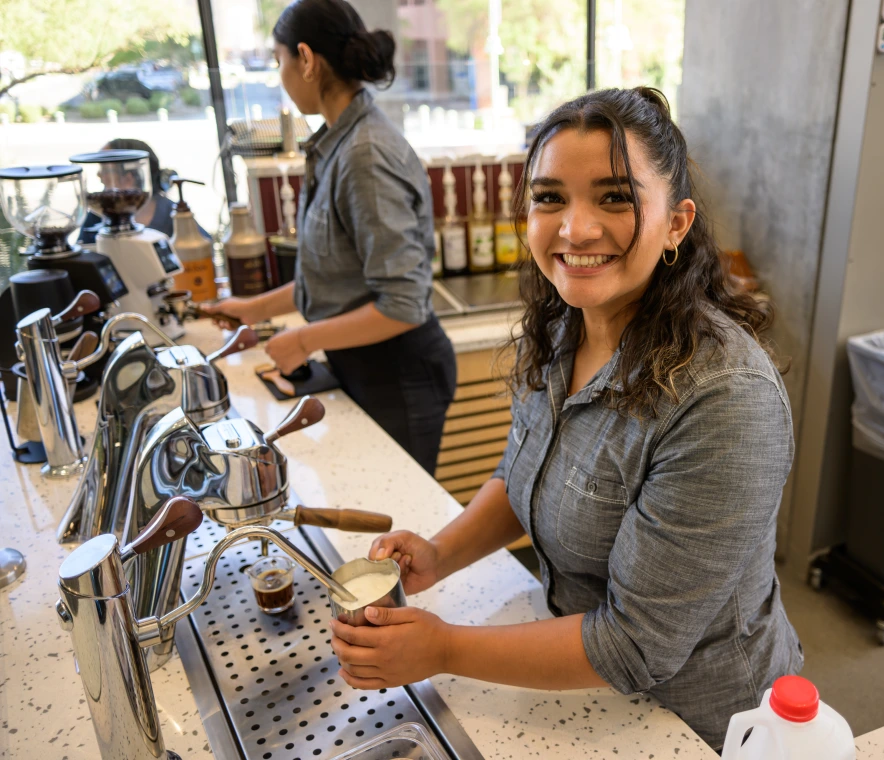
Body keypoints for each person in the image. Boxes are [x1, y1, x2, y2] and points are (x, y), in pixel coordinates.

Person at [327, 87, 803, 750]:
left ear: (676, 222)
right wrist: (440, 554)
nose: (575, 229)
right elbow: (530, 475)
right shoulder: (561, 331)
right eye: (549, 197)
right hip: (573, 682)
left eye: (614, 197)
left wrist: (442, 649)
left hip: (694, 723)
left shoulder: (726, 398)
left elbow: (636, 645)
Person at [203, 0, 456, 473]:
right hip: (366, 364)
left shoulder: (364, 155)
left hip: (398, 372)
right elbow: (337, 279)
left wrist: (301, 341)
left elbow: (402, 304)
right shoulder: (340, 142)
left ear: (307, 58)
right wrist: (253, 310)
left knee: (396, 518)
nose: (280, 75)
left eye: (279, 61)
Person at [77, 138, 210, 243]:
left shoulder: (170, 214)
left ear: (129, 177)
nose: (99, 175)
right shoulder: (96, 216)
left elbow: (204, 248)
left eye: (105, 170)